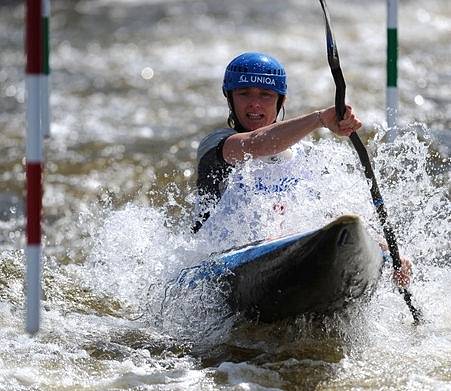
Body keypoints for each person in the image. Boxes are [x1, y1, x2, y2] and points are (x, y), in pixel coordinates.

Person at [193, 51, 411, 287]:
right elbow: (256, 143)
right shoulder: (215, 145)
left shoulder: (301, 155)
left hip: (287, 256)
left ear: (280, 101)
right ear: (230, 97)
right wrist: (320, 119)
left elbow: (332, 214)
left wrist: (387, 252)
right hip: (223, 265)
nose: (254, 104)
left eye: (266, 95)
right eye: (244, 93)